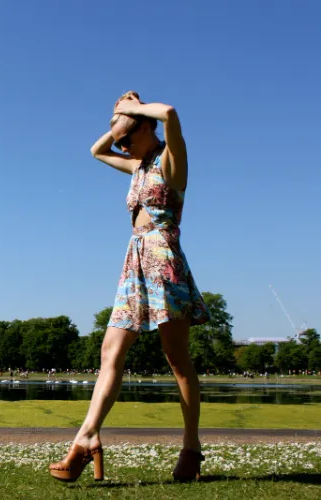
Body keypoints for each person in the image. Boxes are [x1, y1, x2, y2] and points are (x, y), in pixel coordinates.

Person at [49, 91, 210, 483]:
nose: (120, 141)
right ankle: (86, 438)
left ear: (145, 126)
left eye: (126, 133)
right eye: (121, 134)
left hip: (163, 260)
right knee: (110, 351)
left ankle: (191, 446)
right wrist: (119, 116)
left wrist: (133, 110)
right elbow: (95, 150)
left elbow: (170, 112)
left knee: (177, 359)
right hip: (133, 261)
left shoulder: (172, 161)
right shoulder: (137, 165)